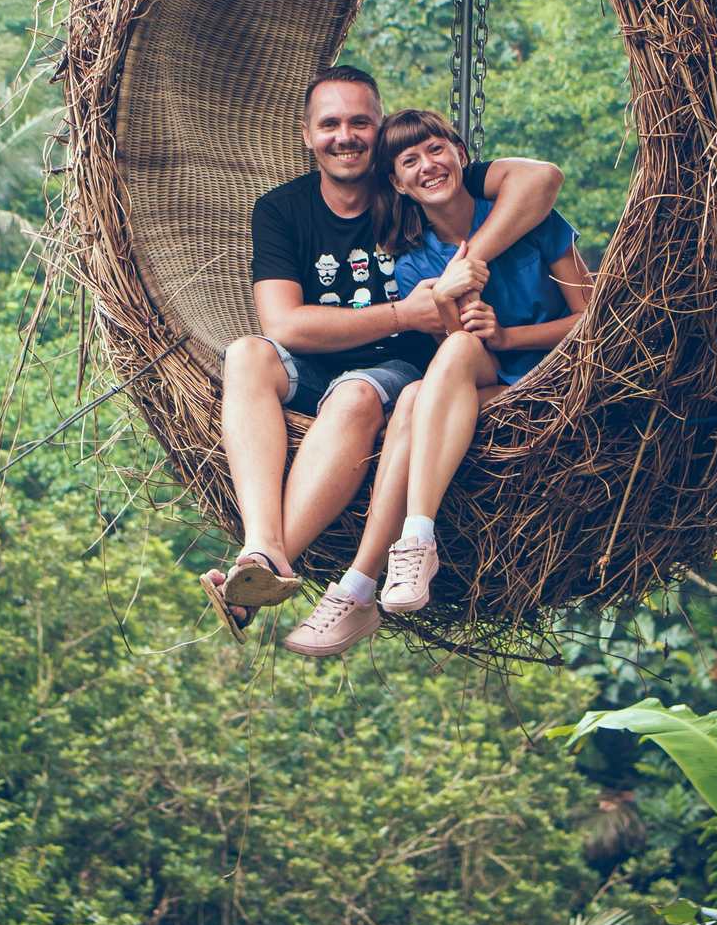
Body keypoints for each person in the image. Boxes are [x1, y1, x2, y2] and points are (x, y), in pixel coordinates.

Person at [203, 67, 564, 639]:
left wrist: (461, 265)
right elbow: (283, 324)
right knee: (246, 352)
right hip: (317, 360)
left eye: (359, 122)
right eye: (330, 125)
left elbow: (541, 179)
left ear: (379, 129)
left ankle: (266, 569)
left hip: (395, 366)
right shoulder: (281, 209)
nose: (345, 136)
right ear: (306, 135)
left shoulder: (412, 180)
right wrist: (403, 312)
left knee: (354, 396)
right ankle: (261, 548)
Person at [281, 108, 592, 657]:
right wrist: (450, 295)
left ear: (461, 155)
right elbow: (456, 344)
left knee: (425, 390)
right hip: (490, 388)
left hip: (560, 379)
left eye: (436, 149)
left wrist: (509, 337)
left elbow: (593, 318)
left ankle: (405, 545)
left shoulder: (529, 217)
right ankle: (366, 582)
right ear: (398, 184)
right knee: (417, 393)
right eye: (409, 160)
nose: (428, 165)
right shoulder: (411, 262)